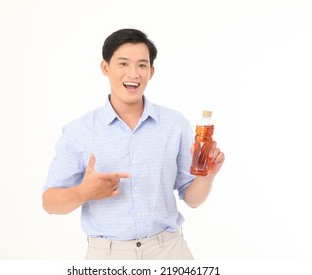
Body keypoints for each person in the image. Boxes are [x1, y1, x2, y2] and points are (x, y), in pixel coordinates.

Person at [42, 28, 225, 260]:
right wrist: (82, 192)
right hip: (107, 257)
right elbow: (49, 202)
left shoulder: (175, 124)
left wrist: (207, 176)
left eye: (142, 65)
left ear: (151, 72)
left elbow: (192, 199)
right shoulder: (79, 131)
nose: (134, 73)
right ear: (105, 68)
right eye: (123, 64)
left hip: (168, 252)